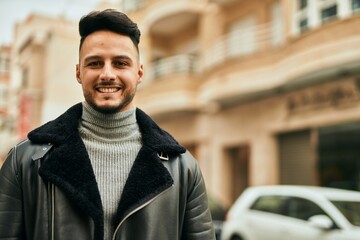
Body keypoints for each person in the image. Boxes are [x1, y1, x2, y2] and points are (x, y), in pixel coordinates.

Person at [0, 9, 215, 240]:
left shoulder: (183, 168)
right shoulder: (23, 161)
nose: (107, 74)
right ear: (78, 72)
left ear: (139, 72)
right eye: (95, 63)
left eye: (121, 63)